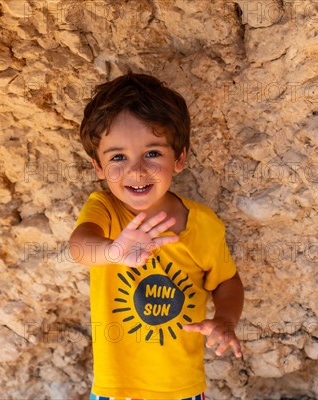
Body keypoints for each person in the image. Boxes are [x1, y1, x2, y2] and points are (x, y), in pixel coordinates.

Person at [69, 72, 244, 400]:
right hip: (117, 387)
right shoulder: (105, 211)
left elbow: (227, 282)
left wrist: (225, 319)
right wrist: (112, 251)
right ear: (98, 167)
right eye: (118, 157)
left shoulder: (202, 224)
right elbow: (80, 246)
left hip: (181, 388)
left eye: (152, 154)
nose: (136, 170)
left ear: (179, 158)